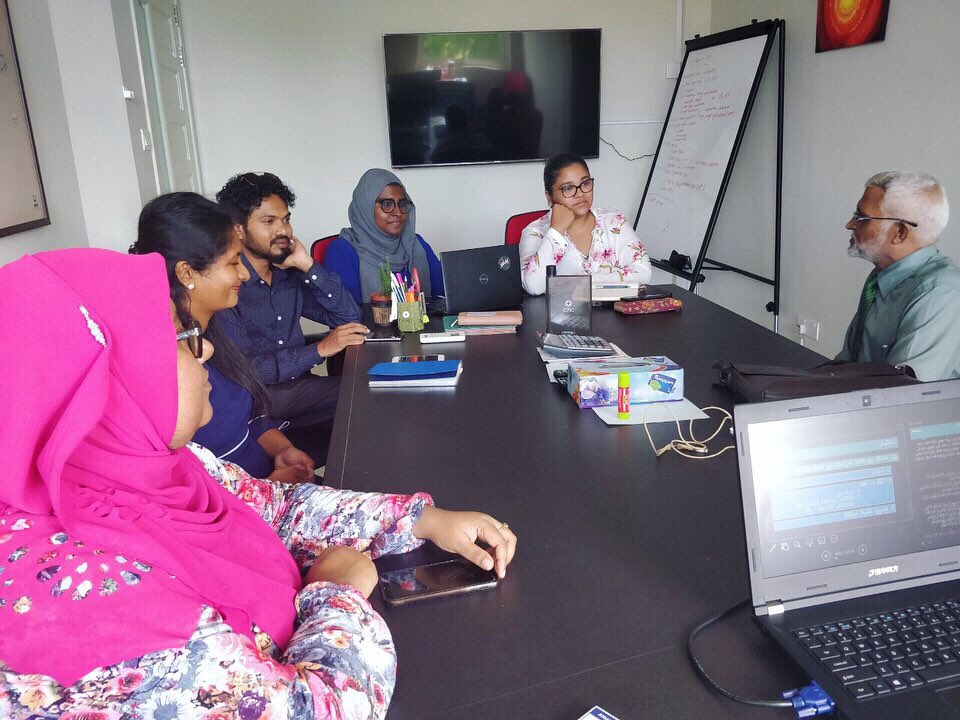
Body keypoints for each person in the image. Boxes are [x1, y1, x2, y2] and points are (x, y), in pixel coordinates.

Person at [0, 248, 517, 718]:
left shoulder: (162, 465)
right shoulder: (91, 606)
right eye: (179, 339)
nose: (203, 354)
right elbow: (314, 710)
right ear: (108, 379)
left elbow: (276, 506)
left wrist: (421, 519)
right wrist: (335, 591)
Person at [130, 192, 314, 483]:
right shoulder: (171, 366)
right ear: (186, 272)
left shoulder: (213, 327)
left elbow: (248, 418)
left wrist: (283, 450)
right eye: (233, 263)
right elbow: (191, 487)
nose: (243, 274)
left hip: (269, 481)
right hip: (251, 507)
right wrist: (276, 485)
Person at [215, 172, 367, 460]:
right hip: (257, 399)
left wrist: (308, 265)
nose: (283, 230)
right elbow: (247, 372)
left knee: (370, 404)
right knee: (364, 395)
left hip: (299, 393)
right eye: (269, 221)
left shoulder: (287, 275)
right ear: (237, 230)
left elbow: (349, 316)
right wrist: (320, 349)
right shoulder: (228, 284)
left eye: (285, 219)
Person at [836, 171, 960, 380]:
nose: (850, 224)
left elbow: (903, 393)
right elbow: (850, 362)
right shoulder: (883, 276)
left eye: (861, 217)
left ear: (900, 233)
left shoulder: (939, 294)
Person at [519, 152, 653, 295]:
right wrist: (556, 231)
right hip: (565, 315)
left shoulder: (614, 221)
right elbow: (533, 286)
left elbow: (643, 272)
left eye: (585, 183)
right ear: (549, 197)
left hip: (616, 314)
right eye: (568, 188)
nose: (580, 193)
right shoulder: (535, 231)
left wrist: (572, 284)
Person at [323, 168, 444, 306]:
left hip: (425, 326)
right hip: (371, 327)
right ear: (365, 206)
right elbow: (346, 316)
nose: (398, 212)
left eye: (402, 204)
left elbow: (444, 294)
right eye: (387, 204)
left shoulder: (416, 243)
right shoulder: (343, 251)